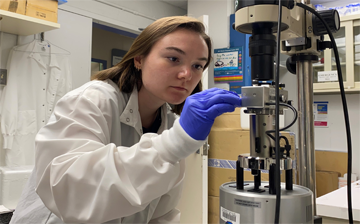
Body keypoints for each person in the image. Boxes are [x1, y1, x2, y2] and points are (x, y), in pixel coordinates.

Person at [10, 16, 241, 224]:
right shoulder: (93, 100)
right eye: (173, 58)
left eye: (197, 66)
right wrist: (174, 145)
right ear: (139, 59)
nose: (186, 75)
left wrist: (174, 142)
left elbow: (161, 210)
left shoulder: (169, 123)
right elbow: (70, 193)